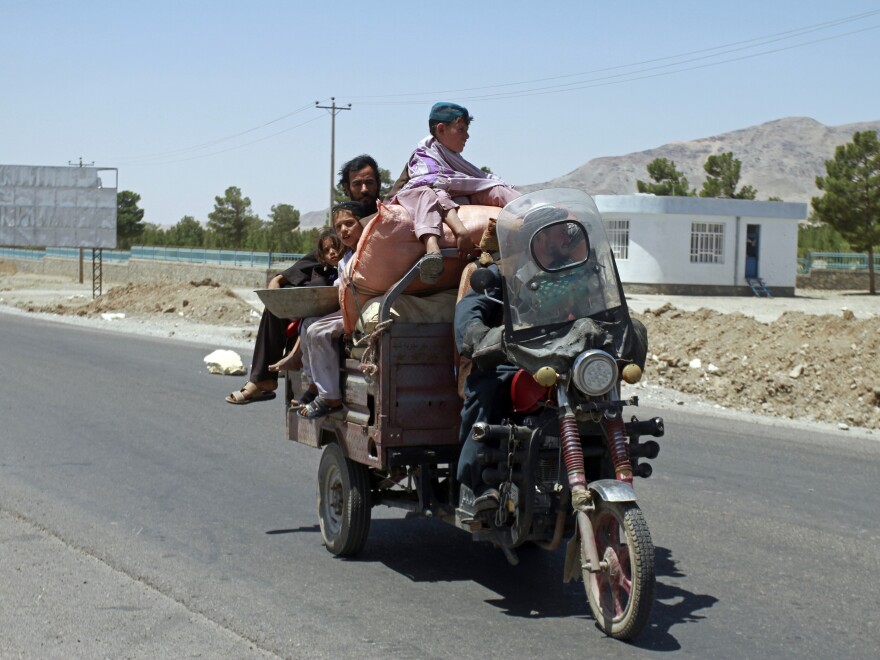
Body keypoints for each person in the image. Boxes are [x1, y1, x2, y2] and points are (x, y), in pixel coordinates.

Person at [225, 154, 382, 404]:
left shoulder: (383, 216)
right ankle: (263, 378)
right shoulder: (345, 219)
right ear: (346, 188)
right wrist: (281, 278)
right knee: (282, 300)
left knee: (318, 290)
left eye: (370, 183)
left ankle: (298, 360)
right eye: (357, 184)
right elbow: (323, 252)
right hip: (342, 279)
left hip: (365, 287)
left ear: (378, 185)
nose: (364, 189)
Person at [391, 102, 521, 284]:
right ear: (441, 129)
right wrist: (461, 231)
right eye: (461, 129)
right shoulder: (423, 159)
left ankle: (537, 214)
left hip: (458, 197)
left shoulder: (456, 161)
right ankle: (432, 251)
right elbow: (436, 189)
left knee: (495, 188)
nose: (467, 136)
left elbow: (478, 181)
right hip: (434, 204)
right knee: (427, 194)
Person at [270, 201, 366, 419]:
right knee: (308, 324)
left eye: (349, 223)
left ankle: (330, 395)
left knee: (318, 332)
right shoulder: (347, 258)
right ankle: (315, 384)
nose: (344, 230)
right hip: (349, 307)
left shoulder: (367, 251)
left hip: (362, 309)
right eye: (339, 226)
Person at [226, 229, 342, 404]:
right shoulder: (324, 260)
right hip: (310, 310)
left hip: (331, 312)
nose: (332, 252)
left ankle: (296, 359)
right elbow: (302, 266)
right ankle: (262, 378)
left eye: (336, 247)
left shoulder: (352, 255)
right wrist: (278, 281)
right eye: (327, 250)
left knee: (312, 323)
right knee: (276, 306)